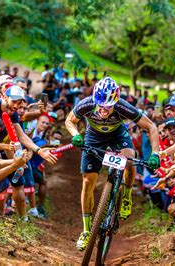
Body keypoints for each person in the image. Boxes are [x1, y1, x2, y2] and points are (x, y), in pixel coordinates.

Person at [65, 77, 160, 251]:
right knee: (87, 181)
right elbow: (69, 121)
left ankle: (127, 195)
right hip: (93, 136)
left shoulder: (123, 106)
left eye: (108, 105)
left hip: (118, 135)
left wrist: (155, 153)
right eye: (100, 104)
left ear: (115, 102)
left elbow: (152, 127)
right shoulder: (87, 103)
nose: (103, 109)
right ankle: (86, 231)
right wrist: (75, 135)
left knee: (130, 160)